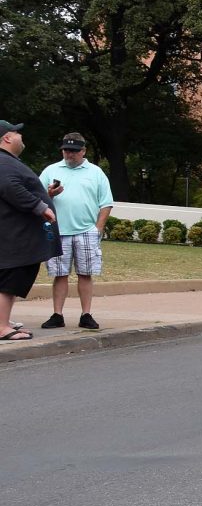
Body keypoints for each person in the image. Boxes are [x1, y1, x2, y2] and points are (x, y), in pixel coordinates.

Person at [38, 132, 112, 330]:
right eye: (66, 150)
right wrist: (49, 194)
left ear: (83, 151)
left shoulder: (96, 173)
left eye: (74, 151)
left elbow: (106, 203)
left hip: (87, 230)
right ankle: (57, 315)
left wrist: (98, 229)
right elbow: (36, 199)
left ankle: (86, 314)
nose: (69, 154)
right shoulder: (50, 170)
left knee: (85, 273)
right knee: (59, 274)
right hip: (58, 230)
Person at [0, 121, 63, 341]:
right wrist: (40, 206)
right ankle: (1, 327)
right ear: (7, 138)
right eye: (17, 133)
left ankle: (4, 323)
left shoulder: (6, 162)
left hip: (14, 235)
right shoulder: (3, 162)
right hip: (14, 237)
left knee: (11, 279)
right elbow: (10, 187)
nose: (20, 136)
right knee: (9, 280)